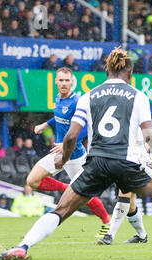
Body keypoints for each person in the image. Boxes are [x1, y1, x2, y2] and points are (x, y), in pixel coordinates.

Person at [0, 47, 152, 260]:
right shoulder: (138, 96)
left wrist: (63, 159)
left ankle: (23, 246)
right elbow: (148, 135)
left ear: (106, 71)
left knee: (62, 209)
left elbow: (71, 136)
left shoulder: (88, 96)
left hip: (96, 162)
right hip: (126, 161)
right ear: (130, 74)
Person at [26, 67, 111, 238]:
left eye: (67, 80)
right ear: (56, 81)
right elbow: (59, 116)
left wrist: (66, 145)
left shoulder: (77, 101)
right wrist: (46, 124)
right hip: (58, 153)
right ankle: (68, 188)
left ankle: (107, 223)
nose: (64, 83)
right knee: (32, 180)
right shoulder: (58, 98)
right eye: (61, 80)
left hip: (75, 156)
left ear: (72, 81)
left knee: (86, 195)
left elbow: (87, 127)